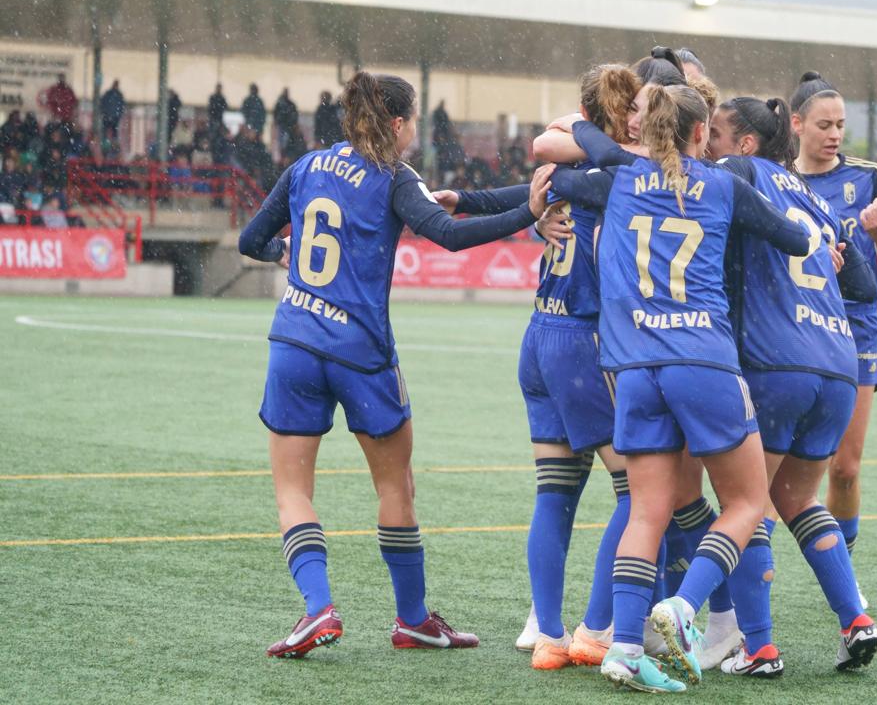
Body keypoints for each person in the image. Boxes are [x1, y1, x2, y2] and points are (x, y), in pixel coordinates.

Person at [237, 71, 551, 659]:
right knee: (395, 484)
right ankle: (411, 620)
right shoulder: (393, 177)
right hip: (362, 352)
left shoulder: (304, 167)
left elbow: (250, 240)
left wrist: (288, 253)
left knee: (292, 491)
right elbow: (448, 237)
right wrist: (527, 215)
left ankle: (317, 608)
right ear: (400, 124)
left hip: (295, 344)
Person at [547, 83, 814, 693]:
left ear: (647, 129)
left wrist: (544, 193)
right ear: (700, 134)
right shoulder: (721, 185)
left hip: (634, 368)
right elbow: (795, 238)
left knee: (646, 510)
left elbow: (558, 179)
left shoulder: (615, 181)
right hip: (704, 362)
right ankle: (686, 607)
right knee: (748, 502)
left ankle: (621, 647)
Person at [441, 64, 642, 672]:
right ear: (623, 113)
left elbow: (523, 190)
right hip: (581, 341)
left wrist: (469, 199)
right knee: (639, 490)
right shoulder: (617, 176)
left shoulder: (562, 174)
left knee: (555, 493)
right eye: (635, 108)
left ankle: (549, 635)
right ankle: (597, 627)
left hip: (538, 334)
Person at [701, 95, 877, 677]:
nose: (707, 143)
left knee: (746, 506)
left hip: (778, 364)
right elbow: (860, 280)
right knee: (798, 498)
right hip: (837, 364)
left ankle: (758, 649)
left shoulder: (738, 172)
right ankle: (857, 619)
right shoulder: (811, 195)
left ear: (746, 144)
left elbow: (692, 184)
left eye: (718, 134)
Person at [792, 72, 877, 597]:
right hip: (794, 323)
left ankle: (844, 574)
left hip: (856, 323)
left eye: (841, 124)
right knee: (782, 467)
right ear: (796, 125)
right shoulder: (775, 176)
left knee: (845, 466)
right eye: (824, 124)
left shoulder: (869, 178)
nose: (835, 134)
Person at [273, 88, 299, 153]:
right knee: (283, 142)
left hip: (286, 126)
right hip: (285, 126)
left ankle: (284, 154)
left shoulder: (282, 104)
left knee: (284, 142)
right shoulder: (284, 104)